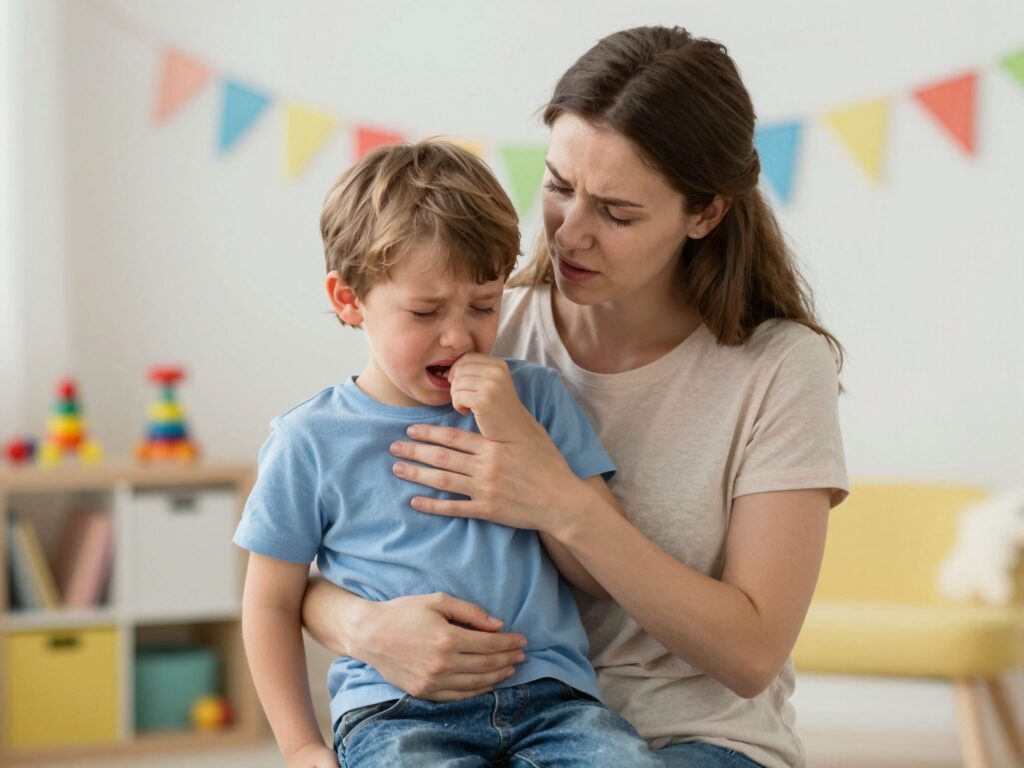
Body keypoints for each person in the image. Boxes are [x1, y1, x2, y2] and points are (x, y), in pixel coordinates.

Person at [301, 25, 850, 768]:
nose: (569, 235)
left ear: (706, 213)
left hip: (696, 737)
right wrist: (364, 629)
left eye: (618, 213)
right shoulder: (482, 329)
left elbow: (752, 655)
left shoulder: (780, 368)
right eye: (559, 187)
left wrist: (561, 501)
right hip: (475, 721)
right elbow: (313, 561)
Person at [233, 140, 662, 768]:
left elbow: (595, 575)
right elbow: (269, 601)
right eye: (425, 311)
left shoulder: (536, 399)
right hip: (395, 710)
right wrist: (300, 746)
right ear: (349, 300)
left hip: (554, 702)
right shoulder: (309, 440)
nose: (459, 335)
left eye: (485, 305)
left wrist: (515, 432)